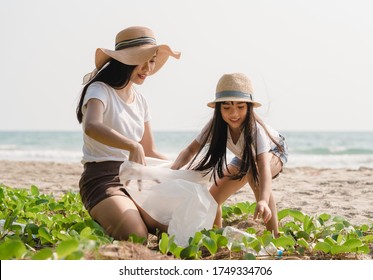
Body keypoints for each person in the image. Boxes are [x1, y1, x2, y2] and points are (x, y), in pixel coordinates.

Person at [76, 26, 180, 241]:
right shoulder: (100, 89)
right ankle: (108, 212)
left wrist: (182, 167)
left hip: (137, 178)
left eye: (152, 60)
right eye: (142, 60)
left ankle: (122, 212)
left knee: (178, 228)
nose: (148, 68)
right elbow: (91, 126)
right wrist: (132, 145)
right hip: (102, 179)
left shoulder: (141, 100)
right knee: (137, 236)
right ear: (124, 60)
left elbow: (150, 150)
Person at [171, 73, 288, 237]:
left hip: (274, 151)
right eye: (227, 108)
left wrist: (262, 199)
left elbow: (262, 166)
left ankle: (275, 236)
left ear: (249, 107)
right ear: (219, 109)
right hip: (244, 158)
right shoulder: (214, 126)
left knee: (254, 172)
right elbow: (191, 150)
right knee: (211, 200)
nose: (234, 114)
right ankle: (217, 236)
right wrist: (174, 168)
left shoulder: (256, 130)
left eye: (240, 107)